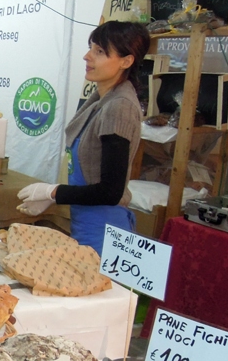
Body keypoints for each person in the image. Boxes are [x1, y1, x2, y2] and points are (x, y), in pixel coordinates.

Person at [17, 21, 150, 255]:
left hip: (105, 229)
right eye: (91, 48)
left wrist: (54, 192)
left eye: (99, 51)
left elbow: (110, 191)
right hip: (86, 221)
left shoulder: (119, 107)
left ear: (126, 61)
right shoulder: (100, 99)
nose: (87, 57)